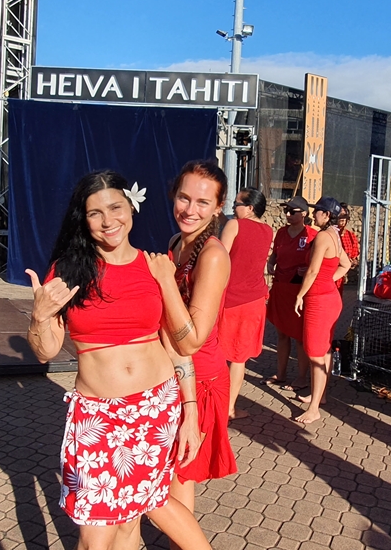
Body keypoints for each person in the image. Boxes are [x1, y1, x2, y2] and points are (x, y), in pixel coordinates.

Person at [25, 170, 211, 550]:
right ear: (84, 219)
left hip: (155, 407)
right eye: (95, 213)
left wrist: (190, 411)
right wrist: (39, 316)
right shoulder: (68, 271)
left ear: (131, 208)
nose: (108, 221)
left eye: (115, 207)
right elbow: (45, 351)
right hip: (97, 417)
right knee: (96, 529)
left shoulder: (155, 266)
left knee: (133, 518)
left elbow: (176, 345)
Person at [145, 159, 238, 532]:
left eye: (202, 202)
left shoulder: (213, 256)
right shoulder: (176, 244)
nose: (190, 210)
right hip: (177, 373)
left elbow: (194, 338)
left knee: (177, 481)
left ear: (218, 207)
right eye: (184, 198)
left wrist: (165, 282)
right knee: (174, 477)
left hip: (201, 379)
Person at [293, 197, 350, 423]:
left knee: (316, 352)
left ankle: (315, 408)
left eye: (317, 211)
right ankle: (321, 396)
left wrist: (300, 294)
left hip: (320, 301)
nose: (313, 214)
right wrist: (330, 279)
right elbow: (345, 264)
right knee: (324, 350)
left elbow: (313, 270)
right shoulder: (334, 235)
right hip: (329, 297)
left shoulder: (323, 237)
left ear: (326, 215)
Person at [219, 187, 274, 420]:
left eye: (237, 205)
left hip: (230, 299)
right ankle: (229, 408)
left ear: (249, 207)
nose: (234, 208)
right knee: (239, 359)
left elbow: (220, 258)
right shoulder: (267, 231)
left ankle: (216, 406)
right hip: (254, 301)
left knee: (218, 354)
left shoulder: (234, 226)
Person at [262, 196, 317, 392]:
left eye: (292, 212)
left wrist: (308, 269)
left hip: (298, 290)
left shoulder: (311, 235)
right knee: (282, 333)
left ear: (303, 213)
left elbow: (318, 262)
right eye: (286, 210)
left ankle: (302, 377)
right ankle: (281, 373)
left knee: (300, 336)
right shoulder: (281, 233)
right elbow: (276, 253)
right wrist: (271, 261)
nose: (287, 214)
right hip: (280, 286)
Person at [336, 202, 360, 292]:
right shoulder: (330, 234)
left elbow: (354, 257)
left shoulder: (351, 236)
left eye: (345, 216)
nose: (342, 219)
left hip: (342, 276)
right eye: (340, 216)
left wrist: (352, 262)